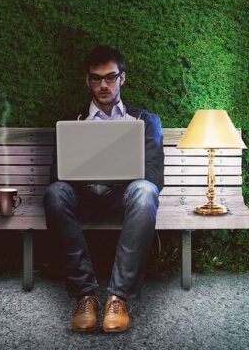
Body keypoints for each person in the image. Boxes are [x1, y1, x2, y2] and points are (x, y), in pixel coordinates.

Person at [43, 45, 164, 333]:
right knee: (55, 194)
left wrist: (119, 172)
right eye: (96, 79)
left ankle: (117, 298)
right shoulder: (73, 122)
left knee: (146, 191)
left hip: (124, 199)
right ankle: (85, 296)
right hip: (84, 196)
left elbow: (155, 174)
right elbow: (56, 174)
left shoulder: (145, 121)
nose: (103, 85)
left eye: (110, 77)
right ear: (87, 81)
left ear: (123, 78)